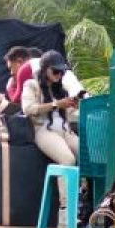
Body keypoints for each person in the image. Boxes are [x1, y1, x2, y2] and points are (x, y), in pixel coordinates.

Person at [22, 50, 81, 217]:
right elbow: (28, 109)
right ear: (44, 69)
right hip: (43, 130)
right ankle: (66, 209)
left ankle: (85, 205)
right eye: (55, 70)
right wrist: (56, 105)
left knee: (87, 155)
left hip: (64, 129)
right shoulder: (31, 85)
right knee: (68, 159)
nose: (59, 74)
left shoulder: (61, 88)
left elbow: (69, 115)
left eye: (61, 71)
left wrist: (74, 106)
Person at [7, 46, 84, 103]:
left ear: (19, 62)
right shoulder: (36, 67)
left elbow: (17, 100)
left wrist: (11, 87)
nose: (11, 72)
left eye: (11, 68)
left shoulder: (25, 69)